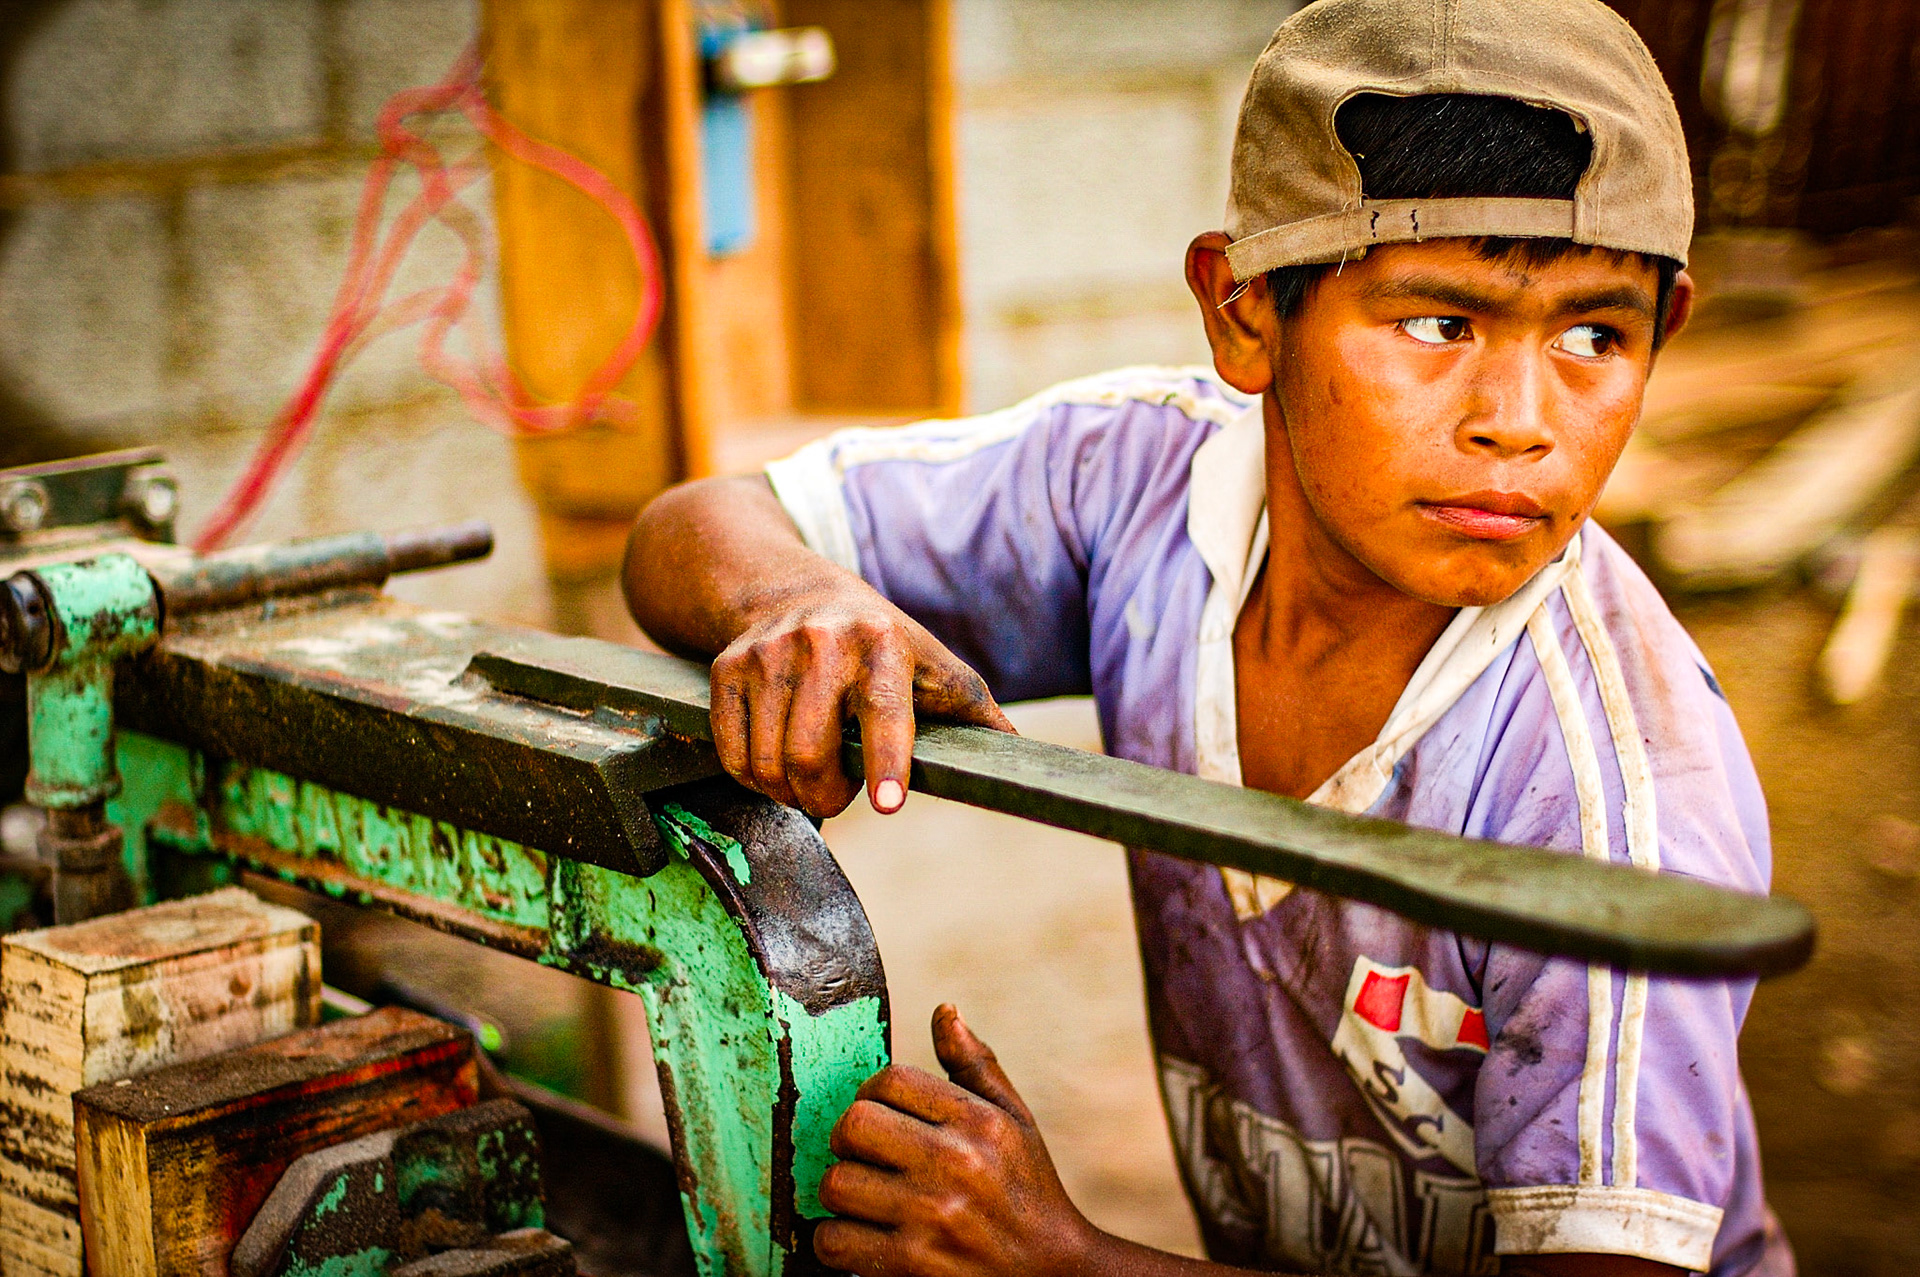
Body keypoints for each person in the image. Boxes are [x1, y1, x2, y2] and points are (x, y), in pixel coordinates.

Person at [623, 0, 1792, 1272]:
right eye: (1438, 323)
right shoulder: (1133, 481)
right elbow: (694, 527)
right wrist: (796, 598)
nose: (1519, 418)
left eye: (1593, 336)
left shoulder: (1621, 800)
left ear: (1665, 329)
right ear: (1243, 311)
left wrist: (1066, 1260)